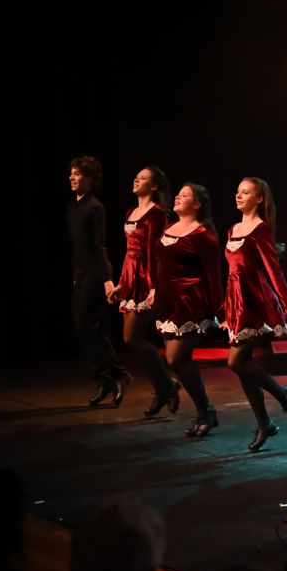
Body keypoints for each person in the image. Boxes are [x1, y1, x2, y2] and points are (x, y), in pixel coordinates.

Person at [224, 177, 287, 453]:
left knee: (235, 361)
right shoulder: (233, 229)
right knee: (243, 365)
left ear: (259, 199)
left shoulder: (260, 229)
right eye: (238, 191)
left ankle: (283, 397)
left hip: (256, 302)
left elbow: (273, 269)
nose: (238, 195)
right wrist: (226, 308)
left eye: (245, 192)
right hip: (237, 301)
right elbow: (232, 272)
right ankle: (265, 423)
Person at [109, 166, 181, 417]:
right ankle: (164, 387)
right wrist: (121, 283)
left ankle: (167, 386)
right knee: (132, 339)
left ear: (154, 186)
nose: (136, 180)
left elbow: (154, 253)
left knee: (133, 337)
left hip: (146, 276)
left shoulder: (156, 214)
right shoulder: (131, 212)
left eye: (142, 178)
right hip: (131, 276)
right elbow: (129, 252)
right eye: (136, 177)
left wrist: (154, 286)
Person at [154, 183, 224, 437]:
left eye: (184, 196)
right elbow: (161, 263)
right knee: (176, 360)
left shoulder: (203, 235)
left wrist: (220, 311)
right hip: (167, 301)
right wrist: (154, 290)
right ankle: (205, 411)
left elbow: (214, 275)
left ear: (196, 204)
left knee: (176, 359)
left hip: (190, 302)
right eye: (178, 194)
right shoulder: (169, 228)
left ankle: (206, 411)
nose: (177, 197)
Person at [66, 156, 130, 406]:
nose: (72, 177)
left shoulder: (95, 207)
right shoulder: (73, 208)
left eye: (78, 173)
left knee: (86, 326)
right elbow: (77, 249)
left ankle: (118, 373)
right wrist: (76, 276)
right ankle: (104, 380)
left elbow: (99, 246)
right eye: (71, 173)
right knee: (87, 329)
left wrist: (107, 280)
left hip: (96, 272)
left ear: (90, 179)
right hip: (81, 273)